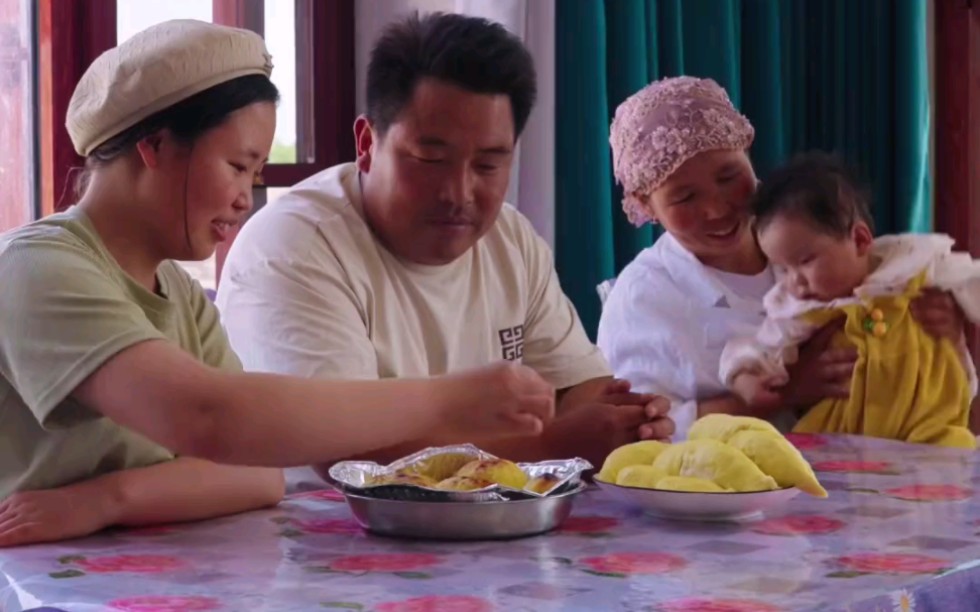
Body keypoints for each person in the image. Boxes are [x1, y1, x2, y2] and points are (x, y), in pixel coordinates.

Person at [0, 19, 555, 548]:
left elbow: (258, 475)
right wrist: (450, 401)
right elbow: (208, 417)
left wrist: (106, 499)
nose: (246, 197)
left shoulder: (178, 294)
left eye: (258, 174)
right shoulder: (38, 267)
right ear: (157, 145)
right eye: (237, 167)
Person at [216, 11, 674, 476]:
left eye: (489, 165)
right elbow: (343, 452)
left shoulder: (510, 238)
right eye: (430, 159)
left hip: (498, 525)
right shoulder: (295, 247)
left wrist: (625, 420)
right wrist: (550, 445)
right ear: (367, 143)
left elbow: (575, 387)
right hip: (323, 533)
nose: (459, 193)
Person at [597, 76, 965, 440]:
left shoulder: (803, 233)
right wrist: (783, 395)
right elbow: (641, 433)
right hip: (728, 491)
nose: (715, 209)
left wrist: (943, 319)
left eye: (729, 176)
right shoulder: (641, 302)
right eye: (684, 198)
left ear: (748, 154)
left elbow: (889, 293)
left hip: (878, 455)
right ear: (646, 205)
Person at [720, 153, 978, 448]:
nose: (794, 281)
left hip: (930, 429)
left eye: (804, 261)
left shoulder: (917, 267)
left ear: (859, 240)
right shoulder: (803, 310)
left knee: (957, 457)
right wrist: (745, 379)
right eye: (782, 268)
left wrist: (958, 312)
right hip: (844, 435)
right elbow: (754, 346)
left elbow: (973, 282)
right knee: (801, 458)